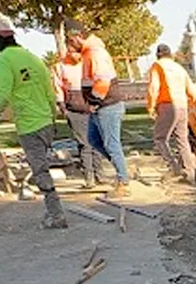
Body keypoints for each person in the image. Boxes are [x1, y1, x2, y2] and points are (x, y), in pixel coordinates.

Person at [0, 13, 67, 229]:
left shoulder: (5, 59)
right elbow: (50, 92)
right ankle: (55, 212)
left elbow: (3, 92)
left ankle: (56, 214)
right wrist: (52, 117)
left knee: (40, 170)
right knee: (42, 168)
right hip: (45, 122)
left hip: (29, 125)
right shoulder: (33, 58)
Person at [64, 18, 131, 198]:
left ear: (77, 36)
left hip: (107, 105)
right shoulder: (87, 53)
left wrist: (93, 102)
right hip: (100, 106)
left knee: (110, 143)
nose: (69, 45)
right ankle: (121, 168)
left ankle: (123, 181)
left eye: (69, 41)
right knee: (94, 140)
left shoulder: (95, 52)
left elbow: (103, 80)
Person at [147, 44, 196, 182]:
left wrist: (151, 107)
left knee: (160, 138)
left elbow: (154, 87)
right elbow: (191, 88)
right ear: (170, 54)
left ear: (158, 54)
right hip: (182, 105)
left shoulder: (157, 66)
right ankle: (190, 173)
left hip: (167, 104)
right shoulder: (179, 68)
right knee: (182, 139)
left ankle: (174, 168)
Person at [52, 51, 102, 188]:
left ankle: (100, 175)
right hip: (74, 109)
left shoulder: (88, 63)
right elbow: (57, 88)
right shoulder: (60, 67)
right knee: (84, 143)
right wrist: (63, 107)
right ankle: (89, 177)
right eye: (72, 51)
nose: (75, 55)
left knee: (97, 142)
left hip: (92, 106)